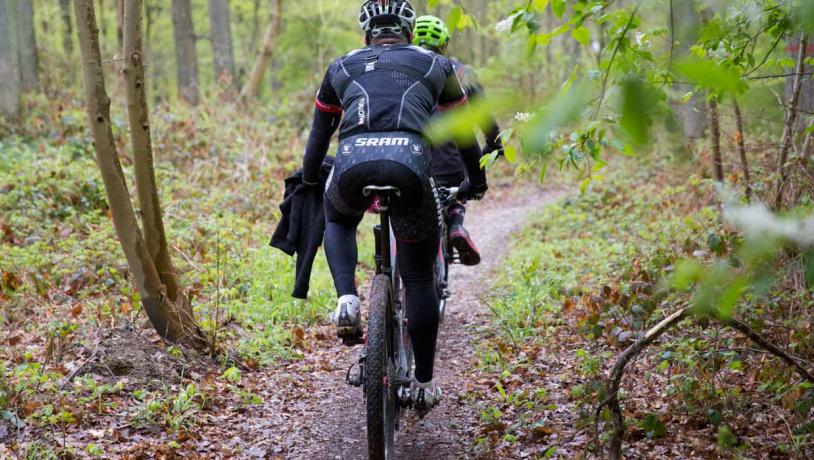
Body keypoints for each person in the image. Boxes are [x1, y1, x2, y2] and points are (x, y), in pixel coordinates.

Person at [300, 0, 487, 409]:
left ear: (366, 32)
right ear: (408, 29)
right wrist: (477, 179)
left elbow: (318, 136)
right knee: (419, 276)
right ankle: (422, 382)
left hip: (351, 164)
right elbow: (465, 136)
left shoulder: (340, 66)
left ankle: (346, 298)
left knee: (337, 217)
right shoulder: (438, 66)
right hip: (411, 166)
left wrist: (311, 178)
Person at [412, 15, 503, 266]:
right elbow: (485, 118)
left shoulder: (402, 71)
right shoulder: (462, 72)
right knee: (458, 186)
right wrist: (495, 144)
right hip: (450, 161)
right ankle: (455, 223)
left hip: (406, 157)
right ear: (444, 45)